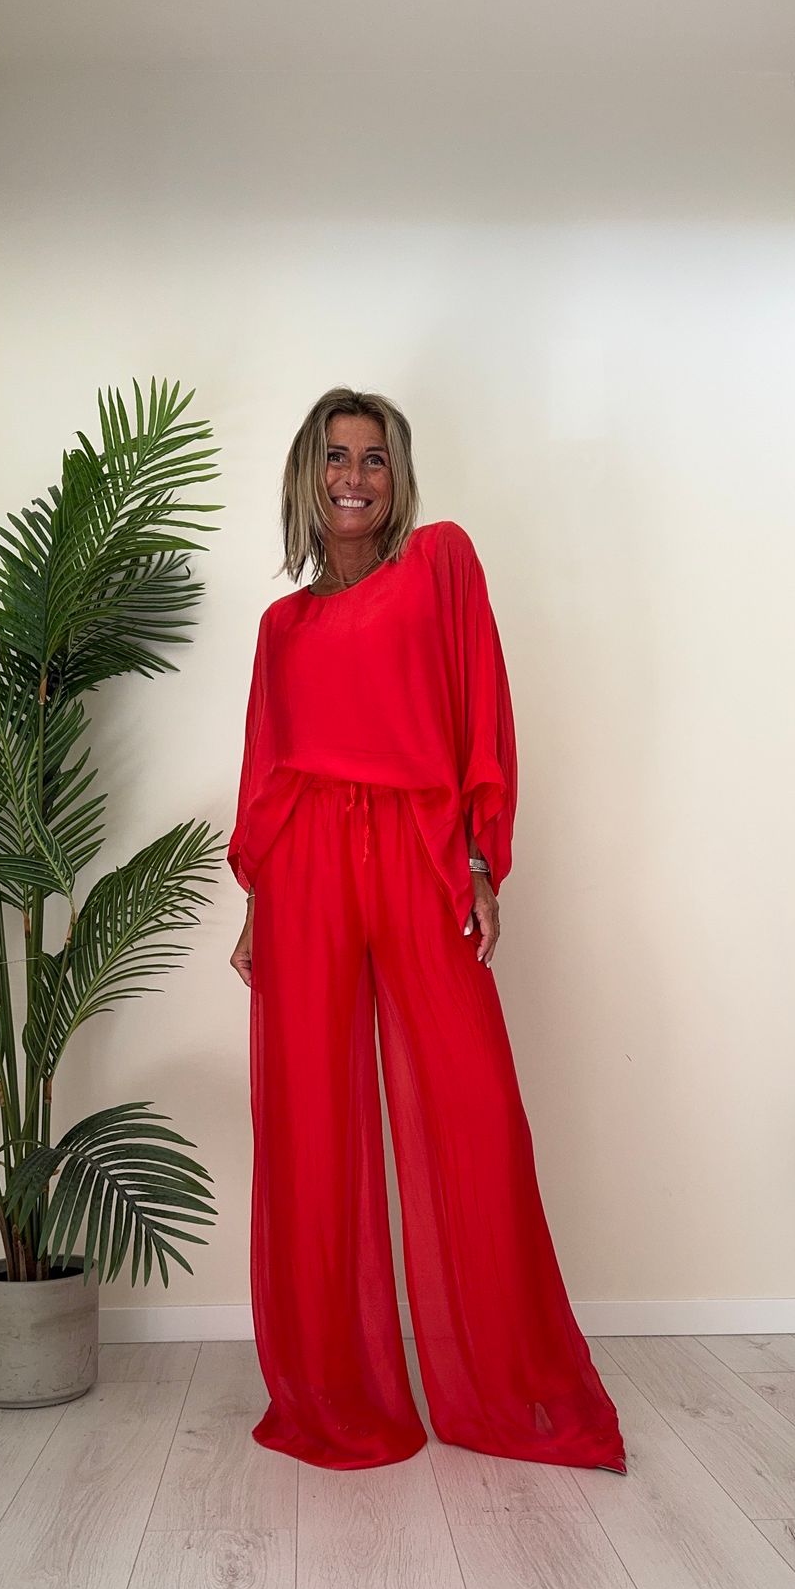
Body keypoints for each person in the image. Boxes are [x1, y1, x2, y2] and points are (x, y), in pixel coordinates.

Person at [228, 386, 627, 1477]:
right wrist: (256, 903)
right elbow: (265, 772)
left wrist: (480, 858)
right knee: (311, 1124)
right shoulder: (280, 627)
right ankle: (332, 1390)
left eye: (373, 459)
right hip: (304, 864)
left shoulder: (439, 564)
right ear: (306, 476)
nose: (353, 477)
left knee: (474, 1106)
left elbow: (476, 711)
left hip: (414, 848)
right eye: (334, 457)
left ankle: (508, 1382)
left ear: (395, 479)